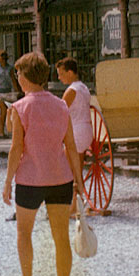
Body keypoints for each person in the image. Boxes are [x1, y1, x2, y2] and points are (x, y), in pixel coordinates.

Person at [2, 51, 86, 276]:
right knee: (61, 236)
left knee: (24, 232)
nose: (16, 77)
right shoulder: (61, 105)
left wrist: (7, 182)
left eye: (18, 73)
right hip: (60, 177)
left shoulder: (20, 107)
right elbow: (70, 146)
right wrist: (79, 180)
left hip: (29, 179)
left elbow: (16, 148)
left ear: (25, 77)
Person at [56, 57, 94, 216]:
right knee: (76, 169)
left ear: (70, 72)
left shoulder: (72, 90)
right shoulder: (84, 88)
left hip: (76, 133)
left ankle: (73, 206)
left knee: (69, 171)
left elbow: (60, 110)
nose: (59, 77)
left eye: (61, 73)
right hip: (86, 131)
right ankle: (77, 203)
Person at [0, 50, 13, 138]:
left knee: (9, 110)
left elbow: (13, 79)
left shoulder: (10, 67)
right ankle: (0, 131)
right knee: (3, 110)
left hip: (8, 90)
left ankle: (8, 130)